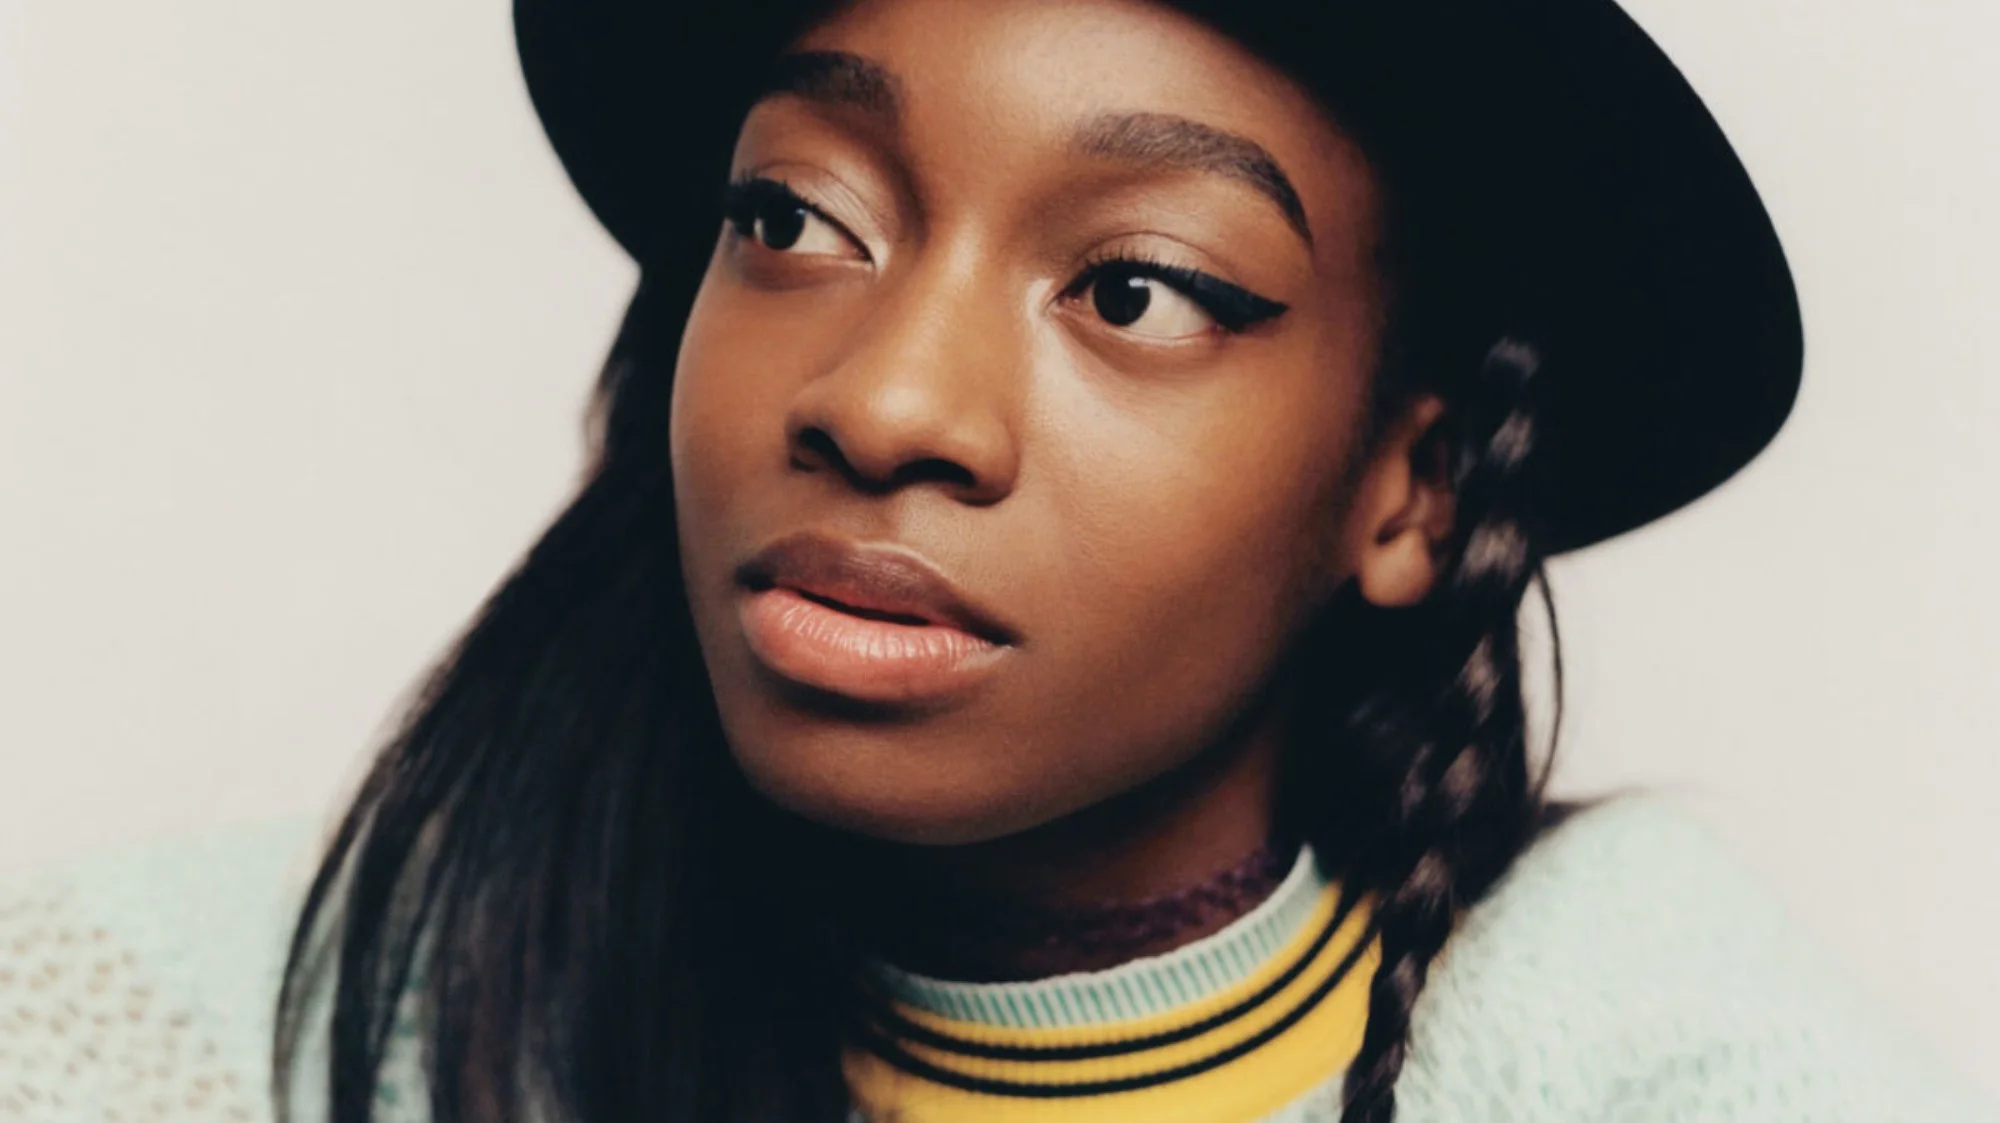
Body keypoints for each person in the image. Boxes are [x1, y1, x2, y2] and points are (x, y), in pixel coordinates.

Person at [2, 1, 1993, 1121]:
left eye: (1135, 286)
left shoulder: (1674, 1065)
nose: (886, 401)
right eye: (797, 218)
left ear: (1418, 492)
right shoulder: (173, 1032)